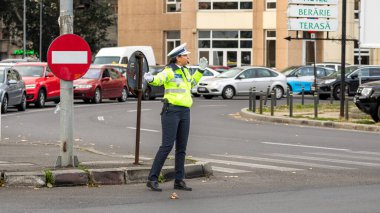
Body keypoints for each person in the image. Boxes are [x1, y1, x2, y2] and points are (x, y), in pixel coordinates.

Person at [144, 43, 208, 192]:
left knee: (181, 148)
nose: (188, 57)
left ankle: (179, 180)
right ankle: (152, 179)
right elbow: (159, 79)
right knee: (166, 146)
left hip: (185, 111)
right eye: (185, 55)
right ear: (178, 58)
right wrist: (150, 79)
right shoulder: (169, 70)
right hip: (171, 111)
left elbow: (191, 84)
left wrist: (201, 70)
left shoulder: (185, 70)